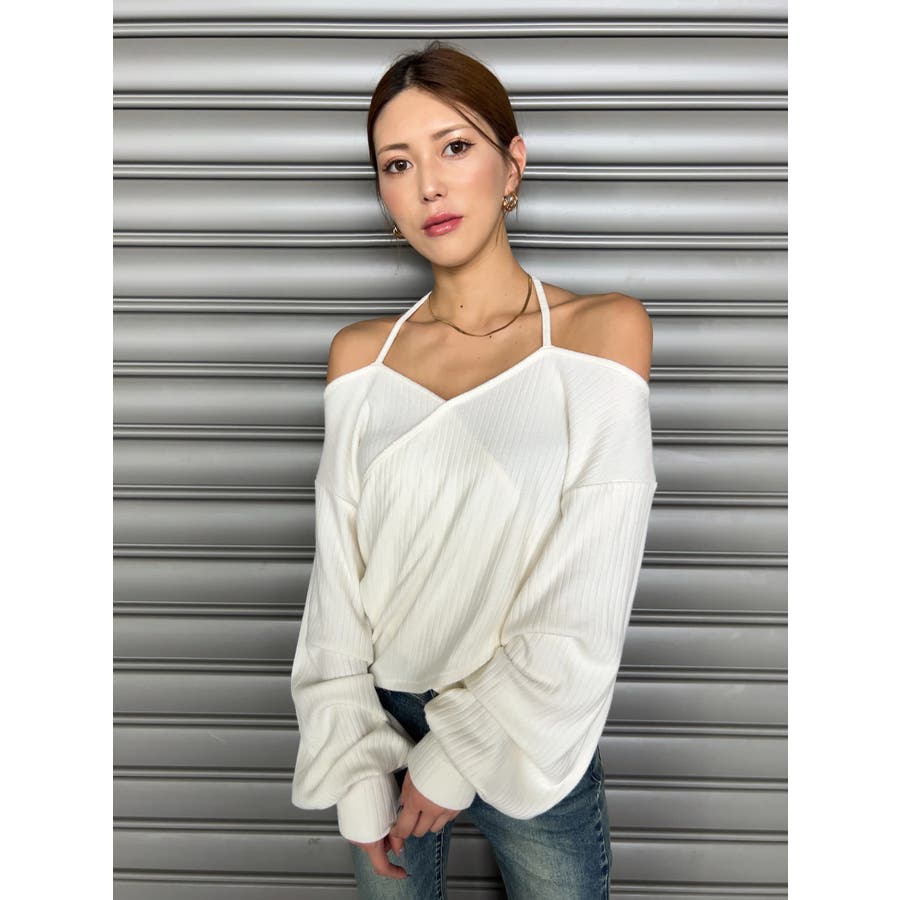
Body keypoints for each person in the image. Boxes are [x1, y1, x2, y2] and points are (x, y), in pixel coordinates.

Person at [289, 40, 657, 899]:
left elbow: (590, 585)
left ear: (512, 163)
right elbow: (337, 578)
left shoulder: (603, 334)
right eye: (397, 163)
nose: (429, 185)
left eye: (455, 147)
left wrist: (457, 755)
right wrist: (353, 763)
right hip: (380, 726)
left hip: (532, 727)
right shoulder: (361, 359)